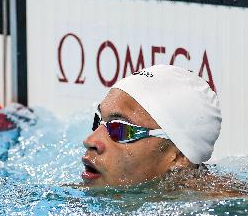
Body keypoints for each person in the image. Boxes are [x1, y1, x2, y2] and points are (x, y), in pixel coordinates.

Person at [81, 64, 227, 190]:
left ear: (179, 157)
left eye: (119, 128)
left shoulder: (223, 213)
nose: (90, 141)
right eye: (98, 121)